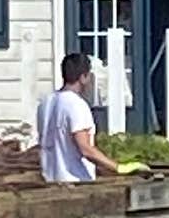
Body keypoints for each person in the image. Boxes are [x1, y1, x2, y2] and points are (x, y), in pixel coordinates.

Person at [37, 50, 120, 184]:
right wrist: (117, 167)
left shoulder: (45, 103)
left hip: (50, 179)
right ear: (83, 77)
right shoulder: (76, 105)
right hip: (75, 180)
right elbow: (85, 149)